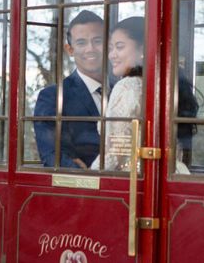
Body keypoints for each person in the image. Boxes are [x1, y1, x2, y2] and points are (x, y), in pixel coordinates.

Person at [33, 10, 104, 168]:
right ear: (70, 50)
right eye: (81, 43)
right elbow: (52, 156)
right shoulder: (53, 97)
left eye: (98, 41)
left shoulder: (125, 90)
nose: (90, 48)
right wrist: (86, 176)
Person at [92, 16, 144, 171]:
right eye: (110, 48)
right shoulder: (158, 84)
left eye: (119, 47)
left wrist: (89, 178)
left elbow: (115, 151)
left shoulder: (127, 86)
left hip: (130, 179)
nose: (111, 55)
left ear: (142, 49)